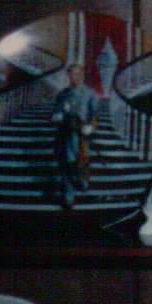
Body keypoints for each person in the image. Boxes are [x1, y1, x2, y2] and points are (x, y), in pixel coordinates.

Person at [51, 62, 99, 207]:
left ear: (82, 75)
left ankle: (83, 179)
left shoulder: (90, 93)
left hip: (82, 134)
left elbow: (95, 115)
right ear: (68, 76)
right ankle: (69, 193)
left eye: (78, 74)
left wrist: (90, 126)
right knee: (67, 163)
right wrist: (57, 116)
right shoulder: (62, 94)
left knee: (82, 162)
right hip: (66, 133)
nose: (75, 77)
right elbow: (55, 112)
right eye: (72, 74)